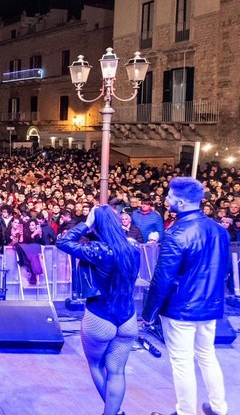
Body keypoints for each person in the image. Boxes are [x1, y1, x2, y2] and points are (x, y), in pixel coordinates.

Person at [144, 177, 229, 415]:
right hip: (210, 305)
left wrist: (148, 313)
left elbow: (162, 279)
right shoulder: (219, 230)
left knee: (181, 362)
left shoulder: (176, 233)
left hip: (181, 308)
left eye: (169, 196)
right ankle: (219, 408)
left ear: (180, 202)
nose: (166, 199)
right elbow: (223, 270)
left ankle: (185, 412)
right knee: (207, 355)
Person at [56, 205, 140, 415]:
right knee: (117, 371)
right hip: (128, 318)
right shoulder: (134, 247)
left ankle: (114, 412)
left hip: (100, 317)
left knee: (95, 365)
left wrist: (86, 223)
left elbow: (62, 242)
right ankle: (112, 413)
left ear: (97, 225)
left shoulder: (99, 251)